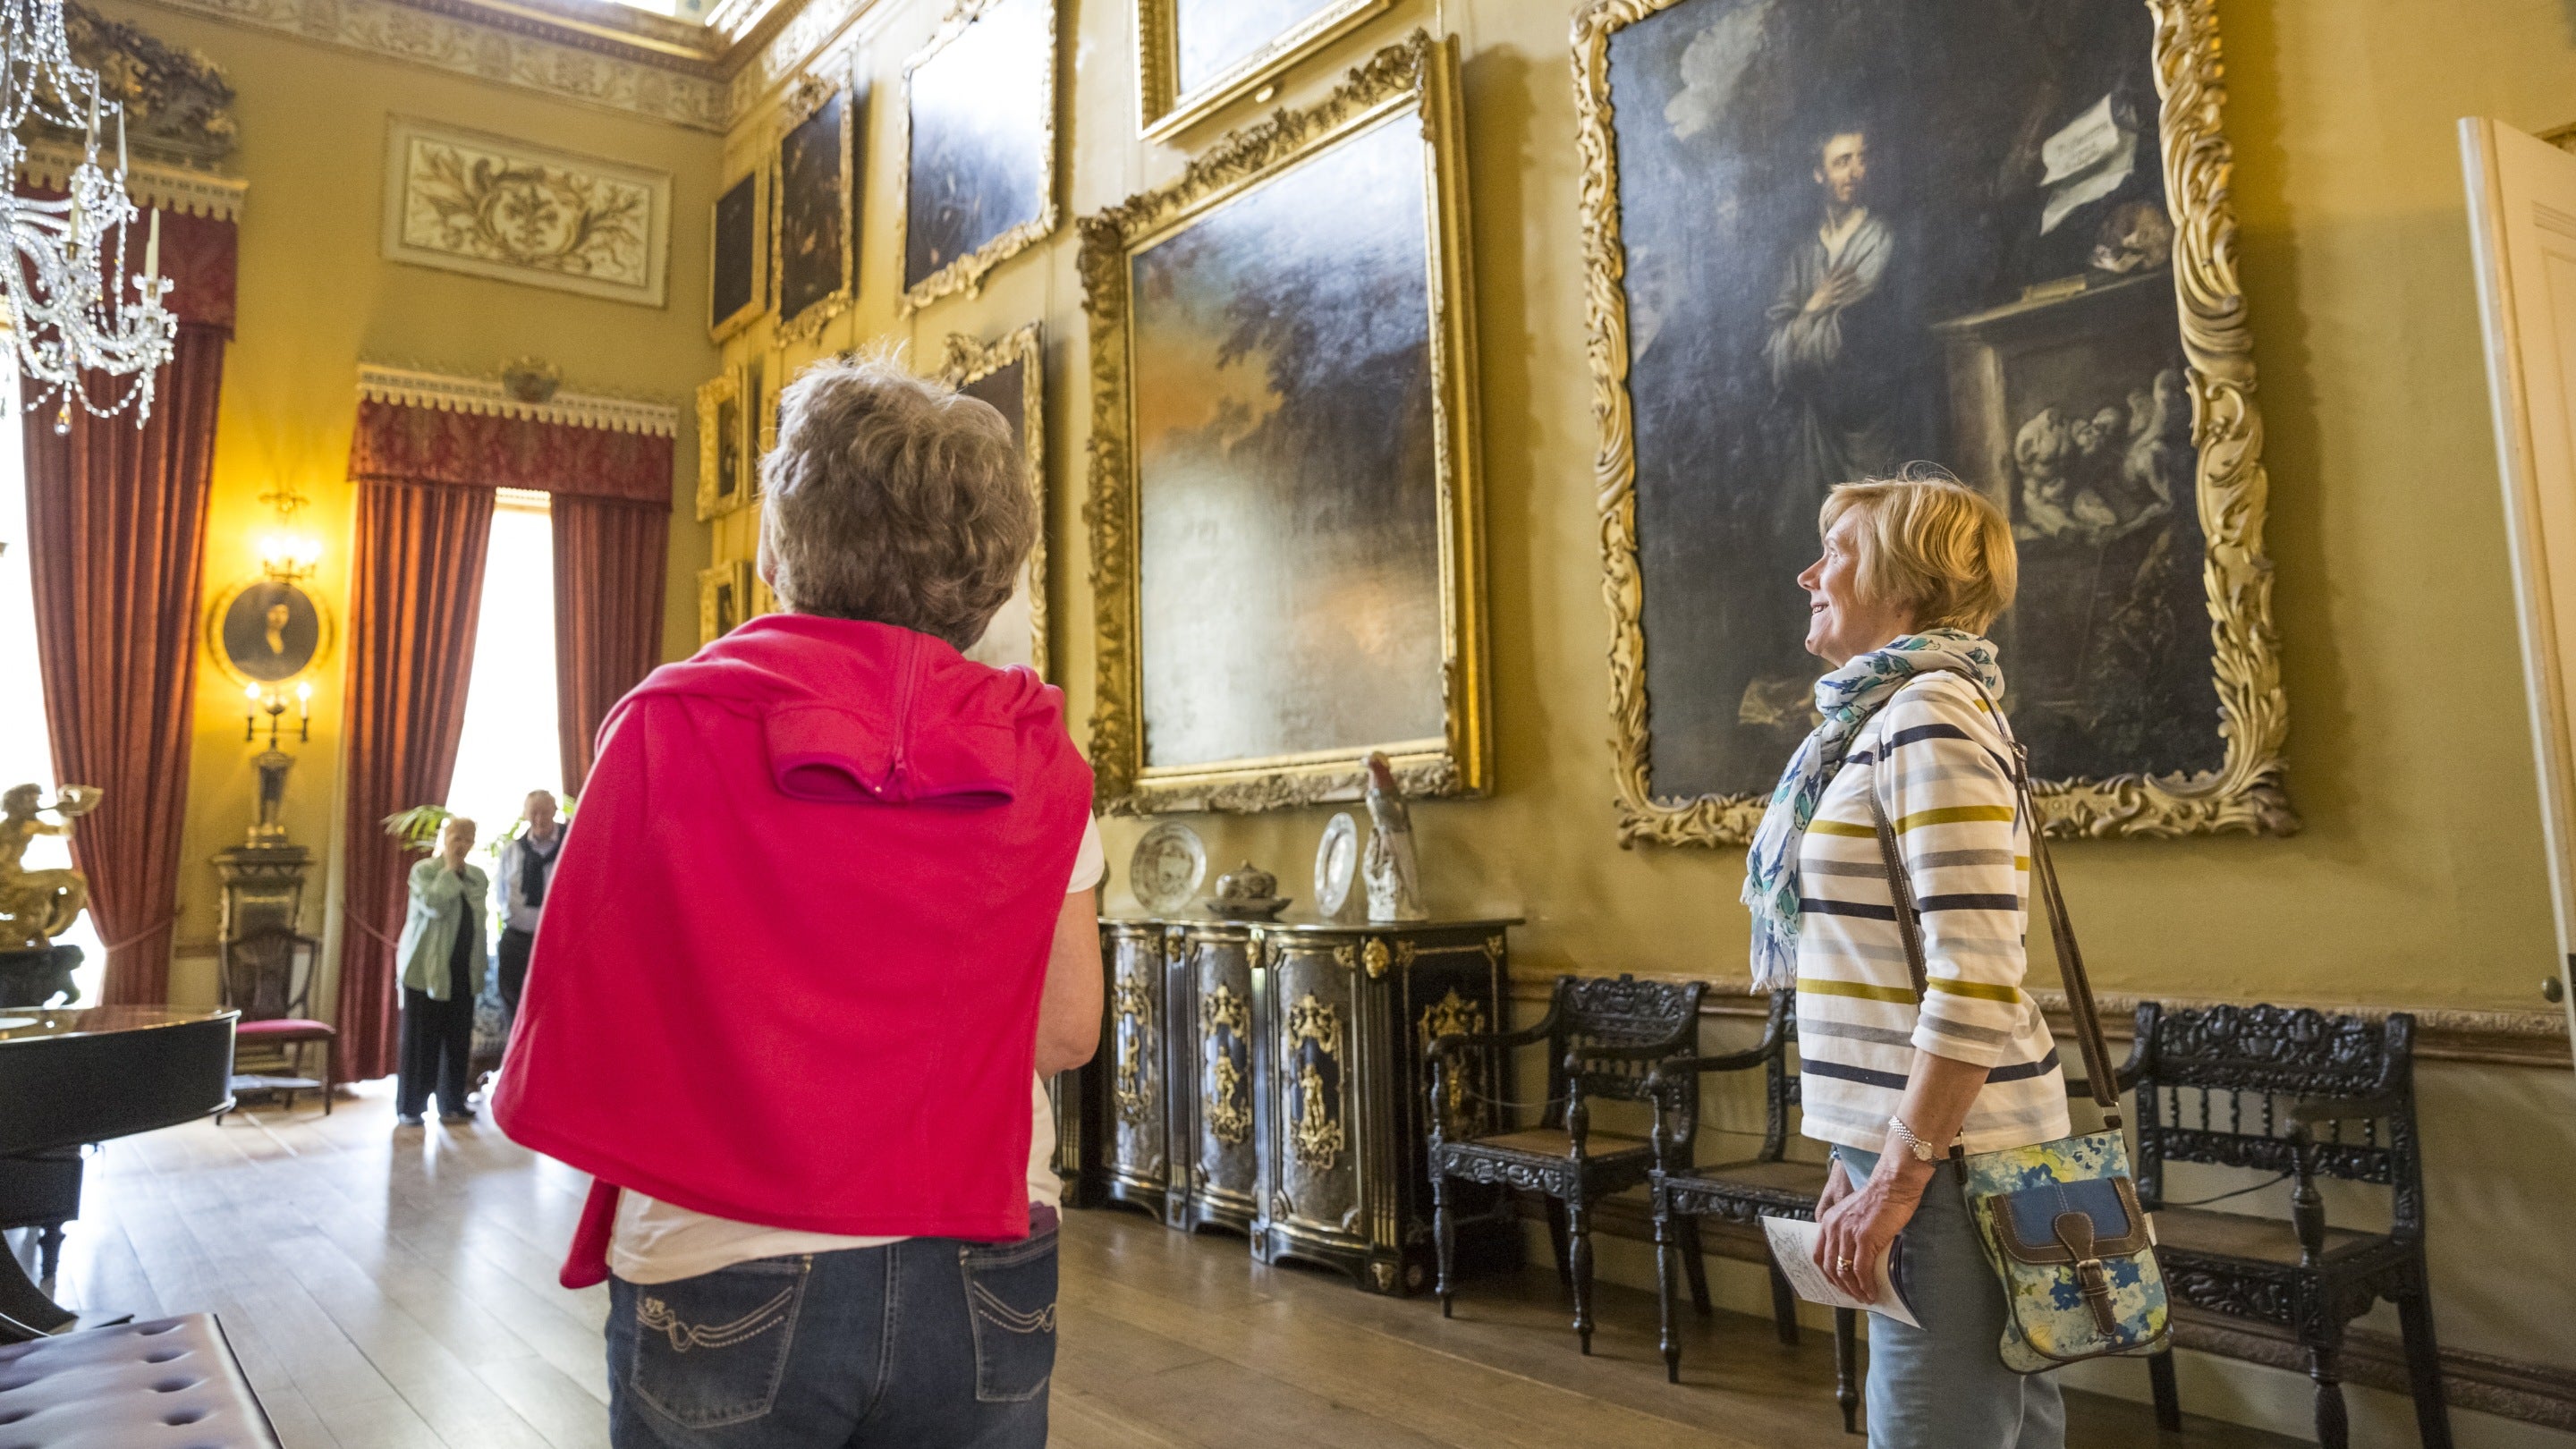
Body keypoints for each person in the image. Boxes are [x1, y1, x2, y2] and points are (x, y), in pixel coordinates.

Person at [495, 354, 1100, 1449]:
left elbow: (584, 1010)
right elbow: (1064, 1029)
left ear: (780, 548)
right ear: (992, 574)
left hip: (725, 1252)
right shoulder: (1038, 749)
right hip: (986, 1251)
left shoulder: (668, 727)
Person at [1740, 471, 2070, 1448]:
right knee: (2004, 1428)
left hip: (1962, 1160)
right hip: (1936, 1146)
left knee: (1938, 1431)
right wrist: (1862, 1150)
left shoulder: (1931, 715)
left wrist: (1899, 1173)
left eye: (1835, 552)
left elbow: (1975, 977)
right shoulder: (1879, 721)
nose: (1809, 573)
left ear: (1907, 581)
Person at [394, 815, 488, 1130]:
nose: (461, 844)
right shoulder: (424, 871)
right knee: (421, 1041)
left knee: (458, 1041)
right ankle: (411, 1107)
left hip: (464, 969)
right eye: (456, 837)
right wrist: (449, 870)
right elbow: (434, 904)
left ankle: (452, 1104)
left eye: (467, 838)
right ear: (444, 839)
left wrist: (460, 873)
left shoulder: (478, 876)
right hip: (425, 970)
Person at [492, 789, 564, 1030]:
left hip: (558, 943)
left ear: (555, 810)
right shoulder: (512, 850)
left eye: (544, 812)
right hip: (517, 942)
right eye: (533, 813)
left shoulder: (571, 844)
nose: (539, 819)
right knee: (516, 1014)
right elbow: (501, 895)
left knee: (557, 1015)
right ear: (525, 815)